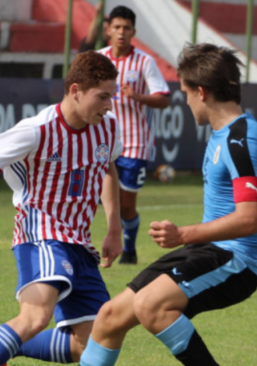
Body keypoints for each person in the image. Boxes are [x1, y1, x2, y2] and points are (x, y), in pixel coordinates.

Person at [78, 43, 257, 366]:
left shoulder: (242, 142)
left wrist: (183, 234)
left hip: (236, 260)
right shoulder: (240, 131)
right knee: (110, 317)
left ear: (202, 92)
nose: (184, 101)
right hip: (206, 250)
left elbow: (248, 219)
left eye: (185, 93)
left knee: (150, 307)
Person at [0, 51, 123, 366]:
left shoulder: (108, 128)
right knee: (36, 316)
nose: (109, 105)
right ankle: (0, 345)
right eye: (103, 96)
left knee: (90, 343)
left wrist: (114, 227)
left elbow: (107, 168)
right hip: (40, 231)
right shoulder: (37, 129)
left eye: (112, 96)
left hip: (80, 242)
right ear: (76, 90)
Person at [97, 5, 170, 264]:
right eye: (117, 27)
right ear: (108, 30)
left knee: (126, 204)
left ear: (133, 32)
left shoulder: (144, 61)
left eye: (127, 28)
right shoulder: (98, 58)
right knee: (94, 195)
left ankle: (129, 249)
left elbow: (163, 98)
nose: (121, 32)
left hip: (134, 142)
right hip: (100, 140)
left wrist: (137, 96)